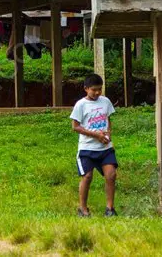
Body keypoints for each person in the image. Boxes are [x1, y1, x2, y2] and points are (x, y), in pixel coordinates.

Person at [70, 73, 117, 217]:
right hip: (87, 148)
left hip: (105, 148)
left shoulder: (105, 102)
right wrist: (96, 135)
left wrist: (108, 134)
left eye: (100, 89)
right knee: (87, 176)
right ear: (86, 88)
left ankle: (110, 208)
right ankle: (83, 209)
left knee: (111, 175)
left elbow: (108, 120)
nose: (97, 92)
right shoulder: (81, 105)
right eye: (94, 89)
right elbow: (75, 126)